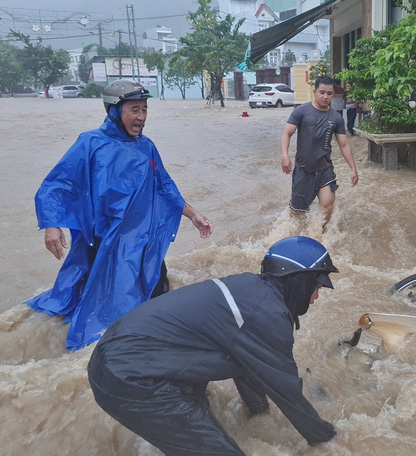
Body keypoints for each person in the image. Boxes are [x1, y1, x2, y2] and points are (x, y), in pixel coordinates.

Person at [88, 236, 344, 455]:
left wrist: (258, 413)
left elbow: (247, 364)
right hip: (129, 376)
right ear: (299, 281)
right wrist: (329, 439)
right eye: (317, 286)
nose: (316, 298)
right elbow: (287, 391)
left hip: (121, 354)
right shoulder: (267, 314)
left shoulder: (249, 291)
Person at [26, 79, 213, 350]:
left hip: (142, 240)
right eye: (134, 110)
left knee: (157, 291)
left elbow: (164, 185)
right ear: (114, 111)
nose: (141, 117)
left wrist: (193, 214)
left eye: (145, 110)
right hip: (103, 240)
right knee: (96, 305)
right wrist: (52, 225)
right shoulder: (91, 143)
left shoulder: (146, 147)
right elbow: (60, 183)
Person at [280, 75, 359, 222]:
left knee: (327, 208)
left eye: (329, 94)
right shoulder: (301, 111)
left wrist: (353, 169)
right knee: (297, 215)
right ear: (314, 91)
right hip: (303, 171)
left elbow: (344, 144)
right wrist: (285, 156)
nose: (325, 96)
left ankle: (319, 237)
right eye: (322, 92)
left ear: (333, 95)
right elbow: (287, 133)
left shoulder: (336, 118)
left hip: (325, 171)